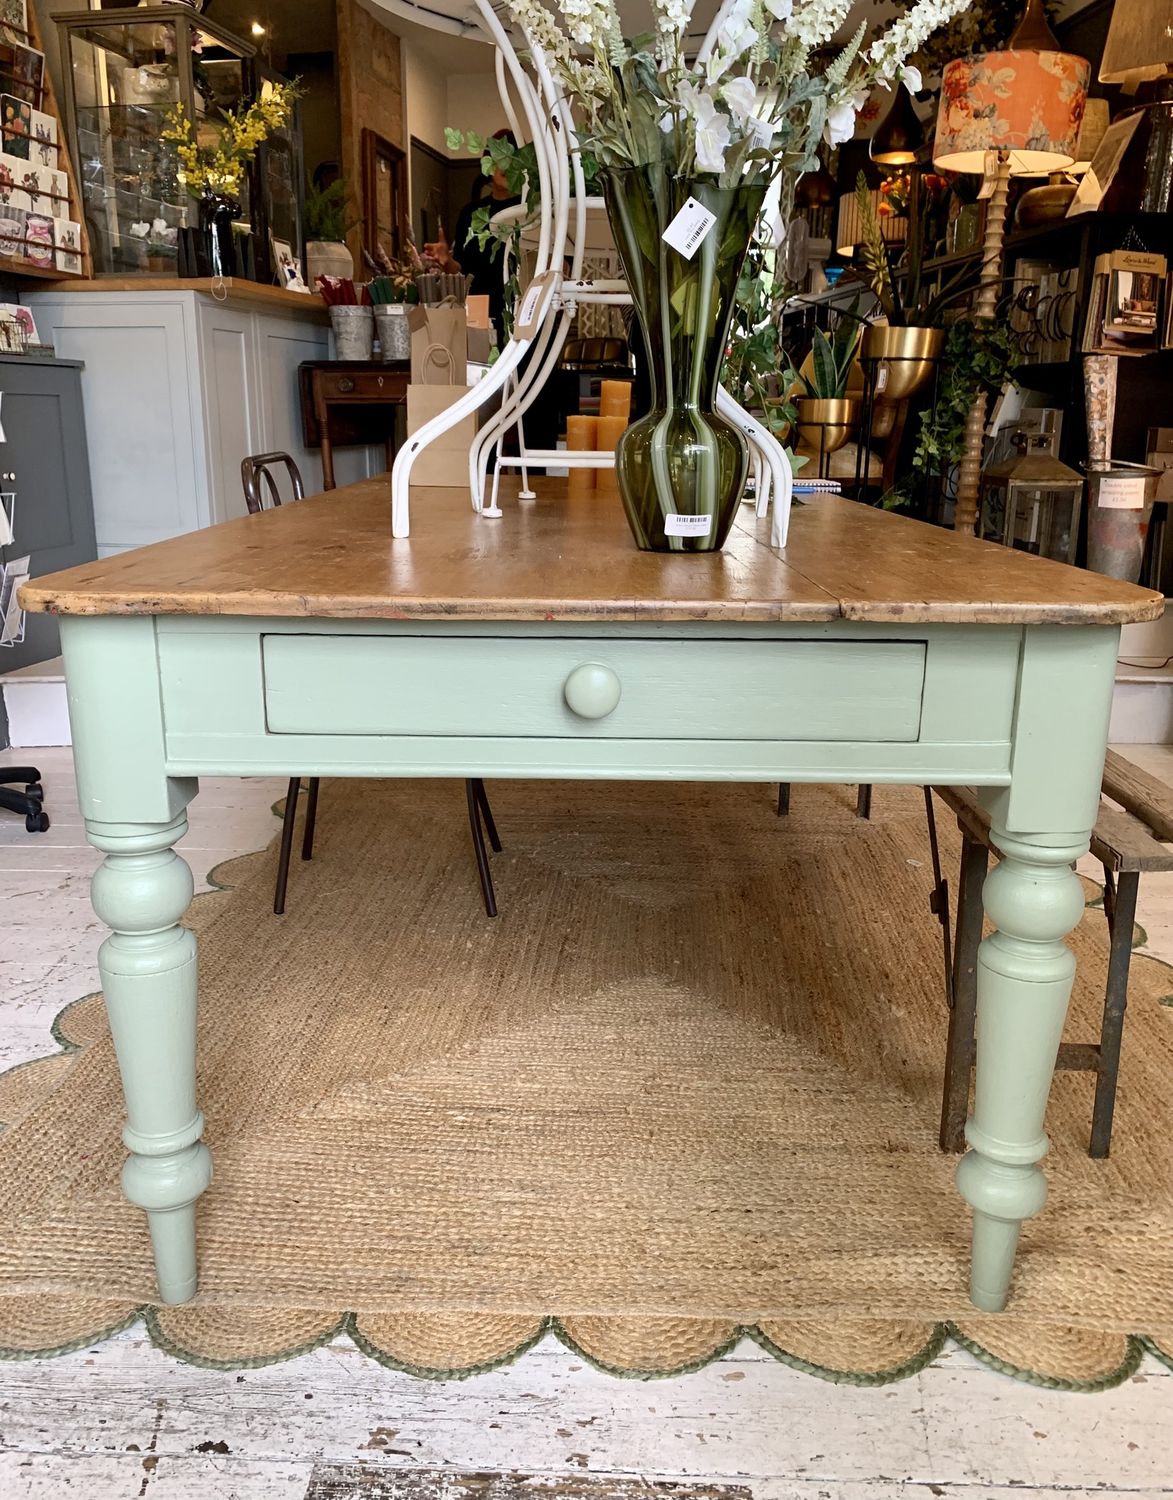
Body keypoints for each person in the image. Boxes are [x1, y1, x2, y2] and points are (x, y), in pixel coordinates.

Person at [424, 129, 521, 340]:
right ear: (488, 164)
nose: (504, 165)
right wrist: (446, 260)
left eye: (511, 158)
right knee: (480, 371)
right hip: (479, 312)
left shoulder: (530, 211)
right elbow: (461, 270)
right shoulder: (471, 213)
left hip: (521, 313)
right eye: (498, 158)